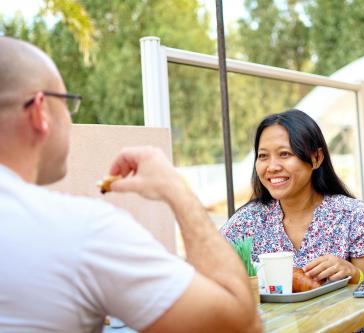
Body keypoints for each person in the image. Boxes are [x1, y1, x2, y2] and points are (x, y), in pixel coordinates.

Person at [0, 37, 261, 333]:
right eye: (67, 103)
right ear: (40, 111)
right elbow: (242, 325)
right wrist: (176, 189)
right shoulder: (84, 231)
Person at [221, 109, 364, 332]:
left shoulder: (351, 215)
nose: (272, 166)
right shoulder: (245, 222)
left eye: (285, 154)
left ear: (316, 158)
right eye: (263, 156)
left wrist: (354, 274)